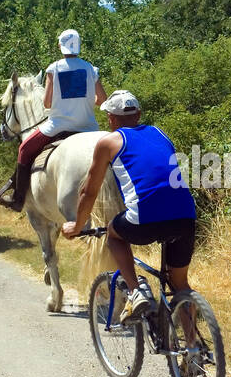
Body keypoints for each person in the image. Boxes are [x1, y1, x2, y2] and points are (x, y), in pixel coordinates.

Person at [61, 90, 196, 324]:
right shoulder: (160, 133)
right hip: (185, 215)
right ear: (139, 114)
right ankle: (193, 349)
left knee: (114, 234)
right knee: (180, 284)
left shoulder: (109, 142)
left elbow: (88, 191)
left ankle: (136, 291)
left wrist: (78, 225)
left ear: (111, 119)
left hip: (145, 217)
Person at [4, 28, 107, 211]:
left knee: (24, 149)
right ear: (78, 45)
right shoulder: (91, 68)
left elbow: (47, 102)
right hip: (90, 127)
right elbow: (102, 100)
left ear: (60, 46)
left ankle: (18, 198)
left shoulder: (54, 68)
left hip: (58, 126)